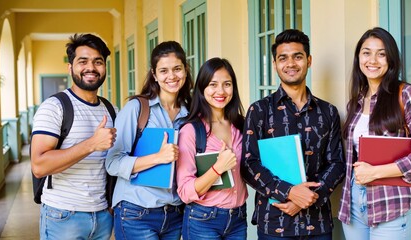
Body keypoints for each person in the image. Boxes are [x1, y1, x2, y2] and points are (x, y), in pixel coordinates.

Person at [241, 29, 345, 239]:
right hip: (274, 222)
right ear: (274, 64)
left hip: (317, 223)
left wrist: (308, 197)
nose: (290, 64)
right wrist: (289, 192)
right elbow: (248, 164)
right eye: (283, 58)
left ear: (309, 60)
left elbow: (337, 163)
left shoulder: (328, 112)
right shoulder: (259, 110)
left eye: (297, 56)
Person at [338, 27, 411, 240]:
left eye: (381, 53)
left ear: (391, 59)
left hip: (392, 202)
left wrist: (375, 173)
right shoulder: (355, 102)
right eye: (366, 52)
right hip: (354, 203)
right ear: (358, 58)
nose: (372, 60)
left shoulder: (408, 94)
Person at [31, 33, 117, 239]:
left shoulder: (111, 110)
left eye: (98, 62)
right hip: (63, 215)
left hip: (103, 215)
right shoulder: (54, 107)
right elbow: (39, 166)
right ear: (70, 68)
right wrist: (91, 144)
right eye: (83, 61)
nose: (91, 67)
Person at [105, 41, 193, 239]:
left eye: (177, 69)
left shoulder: (191, 113)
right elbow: (112, 162)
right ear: (154, 74)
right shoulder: (137, 109)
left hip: (175, 214)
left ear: (185, 70)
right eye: (164, 71)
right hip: (136, 212)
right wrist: (158, 157)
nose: (171, 76)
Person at [176, 57, 248, 240]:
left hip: (238, 219)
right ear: (202, 89)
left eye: (227, 84)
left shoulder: (241, 125)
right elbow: (185, 192)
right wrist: (217, 169)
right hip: (203, 220)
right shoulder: (191, 131)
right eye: (213, 84)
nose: (221, 91)